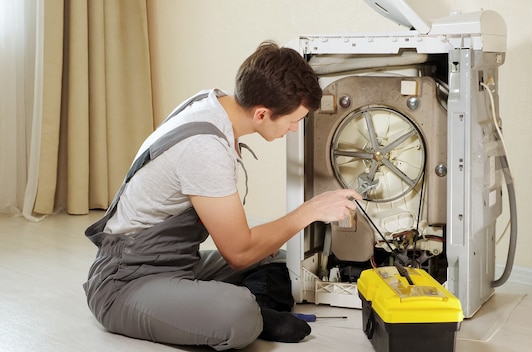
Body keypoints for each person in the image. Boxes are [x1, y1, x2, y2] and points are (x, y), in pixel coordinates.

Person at [82, 41, 361, 350]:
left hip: (176, 263)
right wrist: (309, 211)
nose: (295, 129)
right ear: (261, 114)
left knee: (283, 263)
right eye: (294, 120)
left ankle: (242, 308)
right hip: (126, 282)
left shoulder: (214, 103)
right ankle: (249, 312)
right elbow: (238, 253)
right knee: (238, 314)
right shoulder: (205, 147)